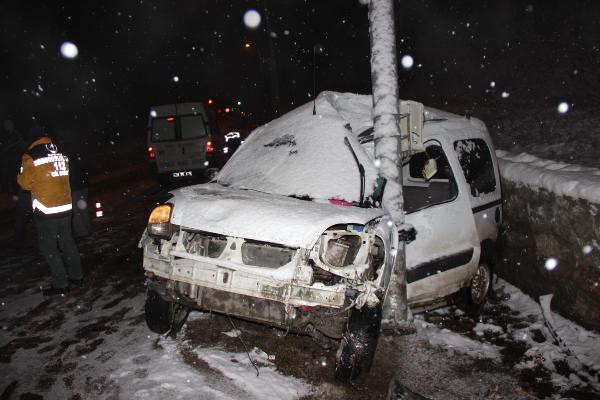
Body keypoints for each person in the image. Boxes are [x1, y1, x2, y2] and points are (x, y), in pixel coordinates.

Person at [17, 126, 83, 296]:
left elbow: (25, 184)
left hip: (46, 209)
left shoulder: (30, 156)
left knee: (49, 248)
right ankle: (77, 277)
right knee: (67, 243)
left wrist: (20, 174)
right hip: (65, 206)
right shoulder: (60, 151)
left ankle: (60, 284)